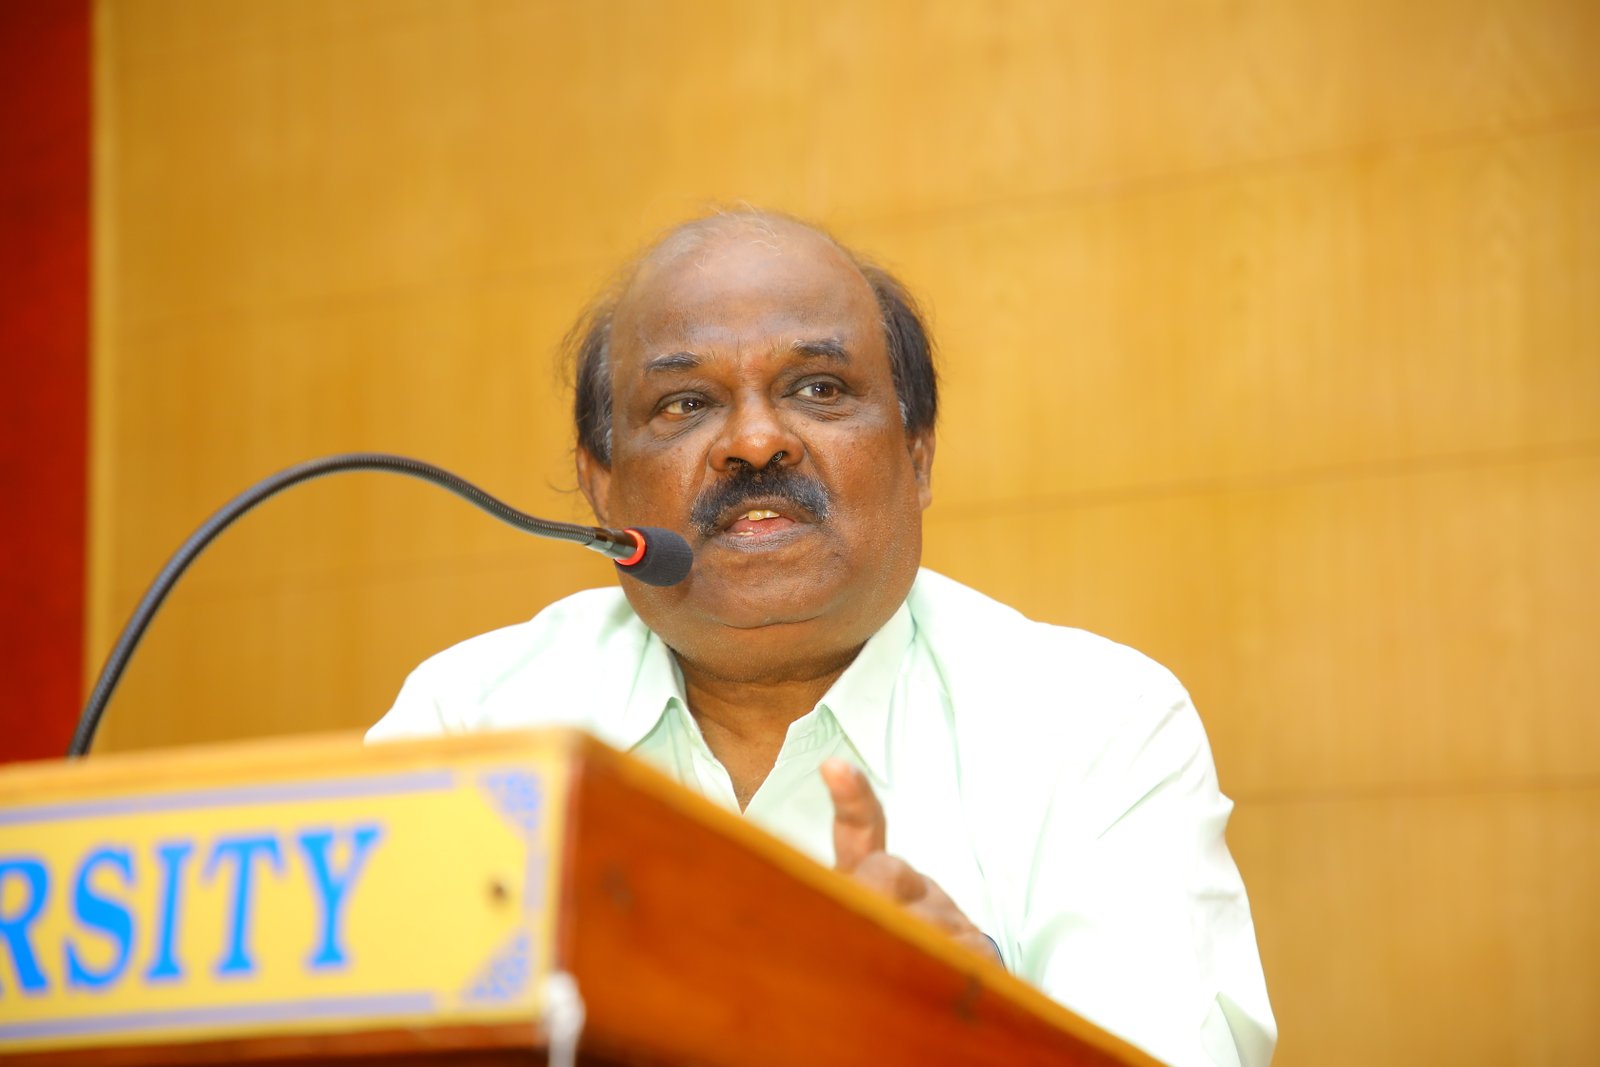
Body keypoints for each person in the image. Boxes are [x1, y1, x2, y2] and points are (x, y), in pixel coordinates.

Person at [369, 209, 1276, 1066]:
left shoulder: (1095, 726)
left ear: (917, 454)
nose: (756, 441)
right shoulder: (473, 725)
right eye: (685, 403)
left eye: (818, 388)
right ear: (602, 485)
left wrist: (979, 1027)